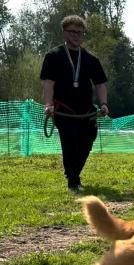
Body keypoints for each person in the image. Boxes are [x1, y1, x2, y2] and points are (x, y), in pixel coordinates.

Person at [40, 15, 109, 193]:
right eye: (72, 32)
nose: (76, 35)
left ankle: (73, 172)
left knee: (88, 140)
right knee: (70, 143)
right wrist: (48, 104)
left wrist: (104, 103)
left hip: (87, 111)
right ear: (64, 32)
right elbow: (48, 83)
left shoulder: (91, 58)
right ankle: (73, 181)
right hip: (64, 110)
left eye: (79, 32)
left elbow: (100, 83)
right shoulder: (53, 56)